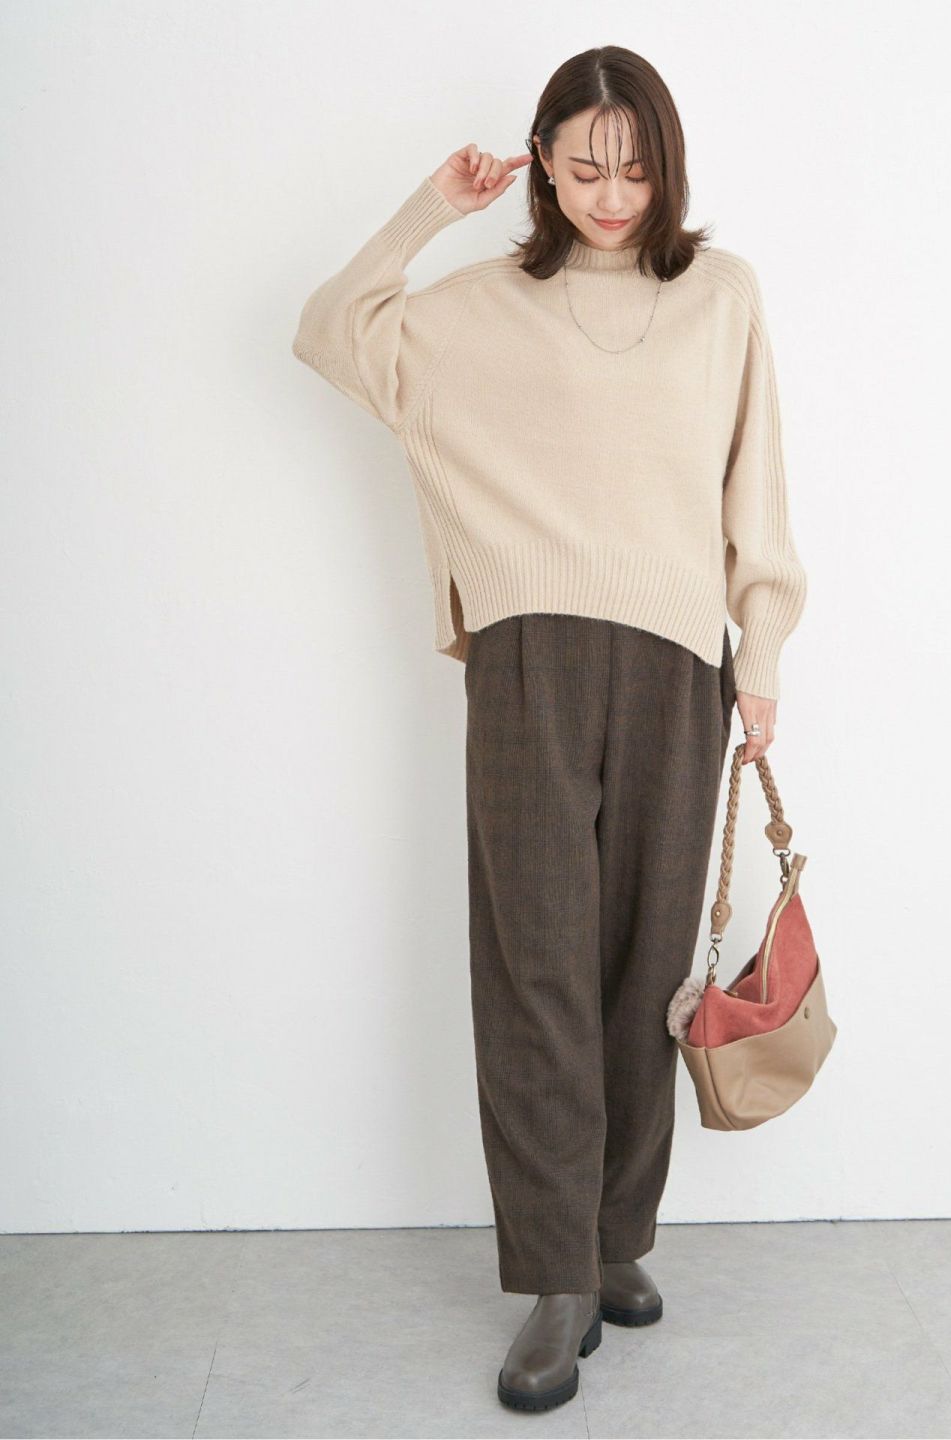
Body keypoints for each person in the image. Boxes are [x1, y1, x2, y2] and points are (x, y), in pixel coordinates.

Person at [292, 45, 808, 1415]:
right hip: (529, 660)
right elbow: (330, 330)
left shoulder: (721, 295)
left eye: (635, 168)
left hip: (676, 665)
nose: (612, 194)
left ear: (668, 166)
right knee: (536, 969)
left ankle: (615, 1237)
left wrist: (760, 658)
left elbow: (757, 487)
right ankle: (555, 1276)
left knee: (643, 967)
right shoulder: (483, 306)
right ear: (543, 167)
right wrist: (430, 209)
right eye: (584, 168)